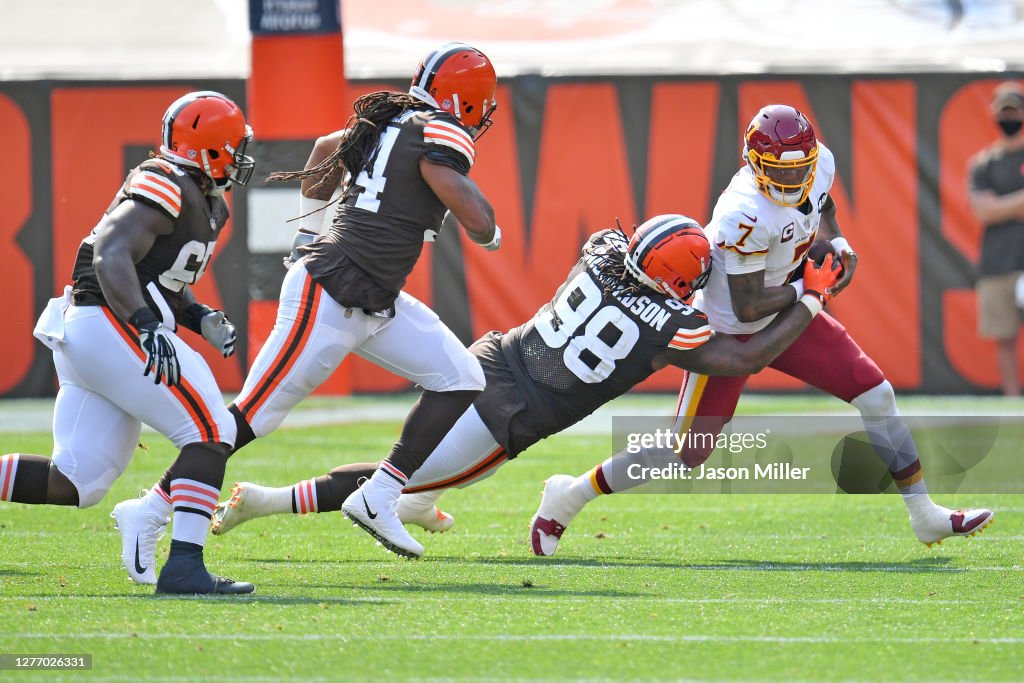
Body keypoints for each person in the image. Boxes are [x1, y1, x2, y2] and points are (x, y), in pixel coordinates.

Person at [207, 215, 842, 547]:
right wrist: (809, 301)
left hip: (492, 359)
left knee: (413, 475)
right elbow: (741, 360)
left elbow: (626, 248)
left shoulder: (602, 249)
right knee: (399, 478)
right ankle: (264, 501)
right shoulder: (665, 324)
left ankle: (418, 505)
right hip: (512, 413)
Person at [531, 104, 994, 556]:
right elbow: (748, 307)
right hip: (728, 329)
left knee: (876, 394)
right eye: (782, 171)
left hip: (788, 304)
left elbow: (822, 204)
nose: (794, 179)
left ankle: (924, 513)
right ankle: (569, 495)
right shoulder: (743, 212)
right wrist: (813, 293)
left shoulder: (819, 163)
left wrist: (836, 241)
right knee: (686, 451)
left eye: (801, 169)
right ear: (754, 163)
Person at [110, 42, 501, 567]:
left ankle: (380, 493)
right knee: (249, 417)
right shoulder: (439, 132)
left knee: (460, 377)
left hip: (373, 296)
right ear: (470, 102)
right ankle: (151, 509)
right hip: (332, 291)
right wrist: (490, 227)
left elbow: (322, 151)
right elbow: (467, 209)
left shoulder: (392, 123)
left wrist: (307, 233)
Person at [0, 91, 255, 593]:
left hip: (99, 332)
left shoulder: (207, 202)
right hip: (107, 323)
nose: (240, 156)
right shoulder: (163, 181)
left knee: (77, 481)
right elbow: (111, 254)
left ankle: (170, 550)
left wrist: (198, 315)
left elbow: (161, 281)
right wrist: (144, 323)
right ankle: (183, 568)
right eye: (232, 145)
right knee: (212, 431)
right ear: (208, 149)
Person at [967, 81, 1024, 396]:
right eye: (1004, 110)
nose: (1009, 115)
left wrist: (1002, 205)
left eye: (1014, 109)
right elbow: (983, 211)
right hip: (998, 262)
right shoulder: (983, 163)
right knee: (1004, 338)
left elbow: (992, 207)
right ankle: (1014, 401)